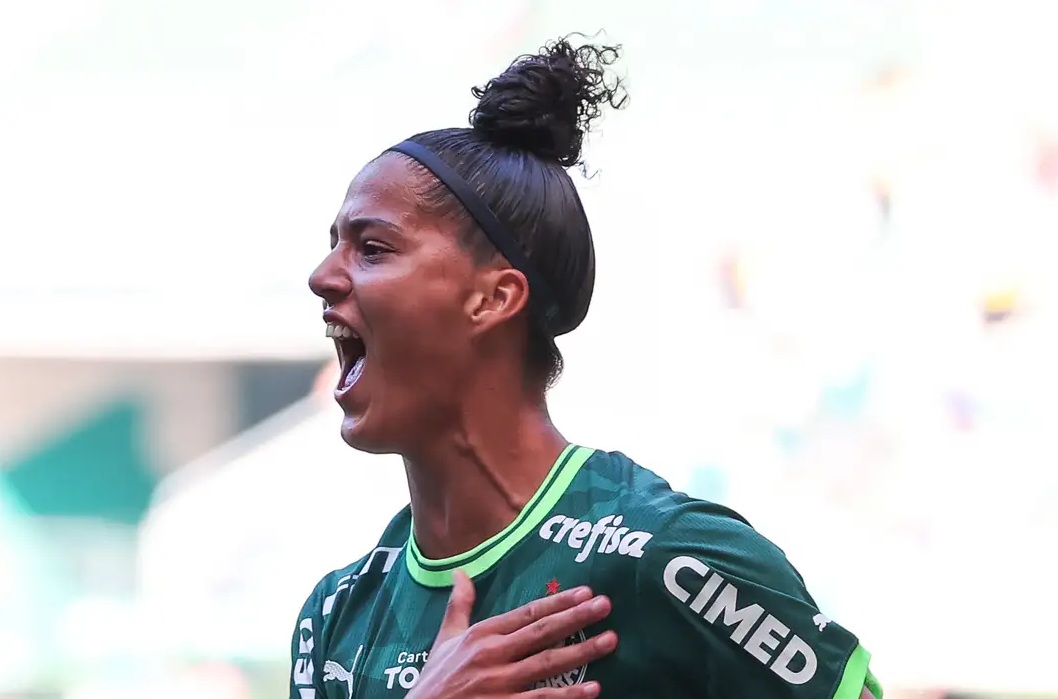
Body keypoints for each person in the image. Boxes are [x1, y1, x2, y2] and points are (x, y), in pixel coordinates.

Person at [291, 37, 882, 699]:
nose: (321, 276)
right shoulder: (334, 618)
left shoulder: (670, 558)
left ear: (493, 298)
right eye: (333, 246)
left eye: (372, 248)